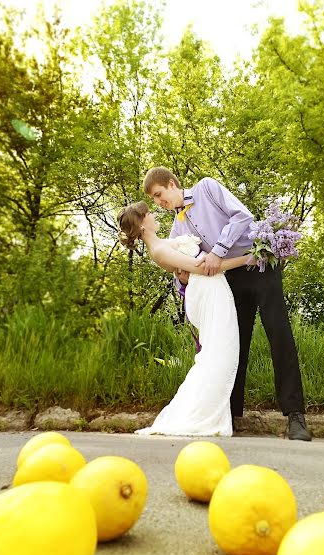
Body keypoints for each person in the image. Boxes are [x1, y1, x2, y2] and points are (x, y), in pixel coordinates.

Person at [142, 166, 312, 442]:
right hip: (229, 279)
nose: (159, 203)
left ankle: (295, 416)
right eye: (155, 200)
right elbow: (184, 268)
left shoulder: (207, 188)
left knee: (278, 333)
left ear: (172, 184)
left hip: (258, 264)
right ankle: (230, 414)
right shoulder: (175, 229)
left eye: (160, 195)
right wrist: (182, 280)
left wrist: (218, 251)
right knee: (234, 342)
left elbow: (242, 216)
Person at [117, 201, 256, 436]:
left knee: (222, 352)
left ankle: (209, 410)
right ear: (142, 225)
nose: (153, 214)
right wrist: (249, 258)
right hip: (207, 291)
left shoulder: (163, 243)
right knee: (218, 353)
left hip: (213, 289)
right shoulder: (159, 251)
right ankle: (200, 415)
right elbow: (203, 268)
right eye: (148, 214)